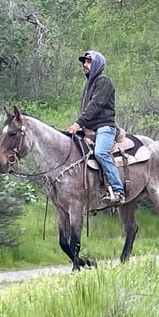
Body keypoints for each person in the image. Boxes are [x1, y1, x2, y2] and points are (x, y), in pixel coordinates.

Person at [66, 50, 126, 206]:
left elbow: (96, 105)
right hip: (89, 128)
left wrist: (78, 123)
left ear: (97, 64)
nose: (85, 65)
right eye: (84, 62)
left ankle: (118, 191)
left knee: (100, 152)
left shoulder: (103, 81)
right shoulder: (88, 84)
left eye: (88, 62)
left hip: (105, 126)